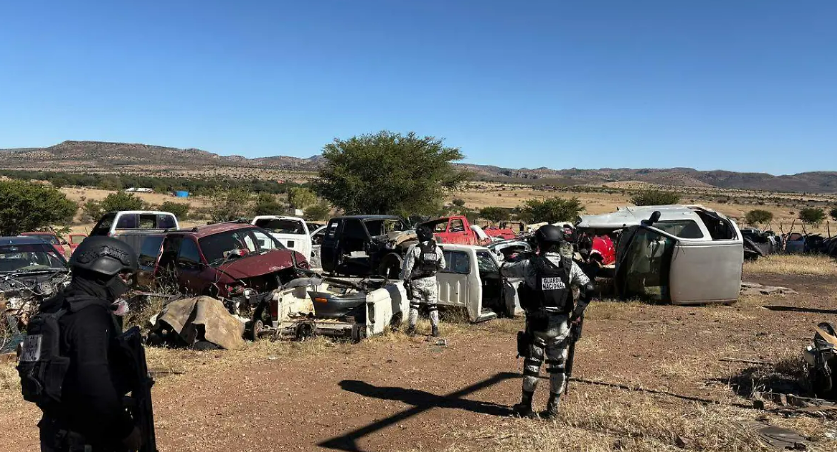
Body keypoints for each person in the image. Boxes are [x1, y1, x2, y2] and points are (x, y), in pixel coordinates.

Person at [33, 236, 143, 451]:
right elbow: (95, 381)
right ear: (104, 273)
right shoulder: (90, 315)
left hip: (56, 429)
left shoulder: (57, 308)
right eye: (122, 276)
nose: (125, 283)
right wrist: (125, 430)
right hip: (87, 436)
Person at [500, 225, 594, 419]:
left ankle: (526, 406)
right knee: (558, 366)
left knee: (532, 364)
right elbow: (589, 288)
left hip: (537, 324)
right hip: (561, 324)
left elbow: (504, 270)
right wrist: (577, 313)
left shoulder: (530, 264)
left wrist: (516, 256)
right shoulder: (569, 265)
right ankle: (553, 408)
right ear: (559, 243)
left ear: (540, 243)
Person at [401, 225, 446, 337]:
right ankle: (435, 329)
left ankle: (411, 329)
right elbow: (443, 266)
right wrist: (434, 272)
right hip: (431, 282)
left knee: (414, 306)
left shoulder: (416, 249)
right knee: (432, 306)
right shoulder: (437, 249)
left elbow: (408, 268)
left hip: (417, 282)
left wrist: (406, 280)